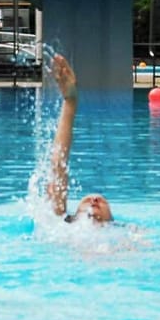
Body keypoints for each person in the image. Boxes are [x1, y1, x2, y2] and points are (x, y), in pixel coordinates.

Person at [46, 54, 112, 224]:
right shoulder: (63, 227)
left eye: (102, 201)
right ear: (73, 216)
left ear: (111, 219)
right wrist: (70, 101)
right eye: (88, 200)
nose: (95, 200)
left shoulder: (124, 236)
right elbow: (58, 165)